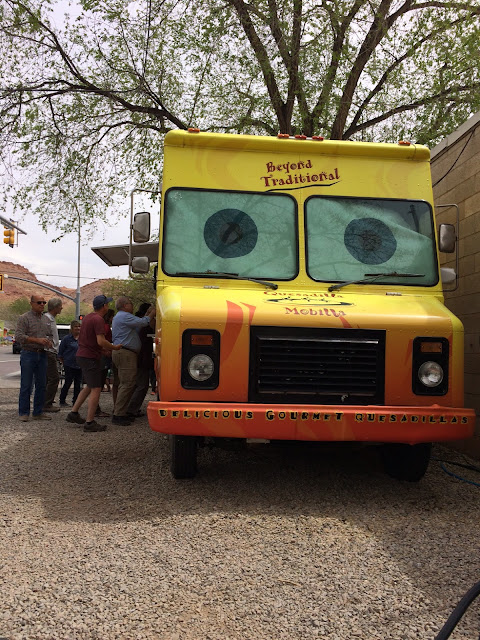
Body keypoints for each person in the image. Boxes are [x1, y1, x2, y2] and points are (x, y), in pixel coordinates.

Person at [66, 295, 122, 432]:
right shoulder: (98, 319)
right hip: (90, 358)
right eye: (107, 304)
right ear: (104, 306)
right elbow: (100, 341)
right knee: (96, 388)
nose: (108, 306)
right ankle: (90, 422)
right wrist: (114, 347)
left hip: (83, 355)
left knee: (90, 386)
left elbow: (89, 340)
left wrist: (102, 351)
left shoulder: (87, 318)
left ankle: (73, 413)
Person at [111, 296, 155, 426]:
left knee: (126, 383)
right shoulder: (124, 316)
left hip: (123, 352)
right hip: (126, 353)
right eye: (130, 303)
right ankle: (118, 414)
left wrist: (147, 315)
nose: (132, 306)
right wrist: (152, 314)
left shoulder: (121, 317)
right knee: (127, 384)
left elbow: (138, 326)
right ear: (125, 305)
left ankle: (122, 412)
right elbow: (143, 323)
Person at [15, 294, 54, 421]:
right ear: (31, 303)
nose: (42, 305)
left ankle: (38, 412)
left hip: (42, 354)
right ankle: (23, 412)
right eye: (39, 302)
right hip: (28, 353)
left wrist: (49, 341)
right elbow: (19, 336)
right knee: (26, 385)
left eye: (44, 302)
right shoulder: (24, 318)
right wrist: (37, 340)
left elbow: (49, 334)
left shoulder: (46, 319)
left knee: (41, 384)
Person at [126, 303, 154, 418]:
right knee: (142, 385)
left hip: (139, 358)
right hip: (142, 359)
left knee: (137, 384)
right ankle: (131, 409)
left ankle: (130, 408)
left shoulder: (137, 324)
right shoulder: (143, 326)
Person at [43, 297, 63, 412]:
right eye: (60, 306)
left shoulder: (51, 318)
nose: (61, 308)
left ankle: (45, 400)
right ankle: (47, 403)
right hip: (49, 351)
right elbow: (44, 333)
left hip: (52, 351)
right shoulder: (47, 318)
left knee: (48, 378)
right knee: (54, 378)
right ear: (55, 307)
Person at [58, 320, 82, 406]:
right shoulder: (66, 339)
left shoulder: (82, 339)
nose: (78, 328)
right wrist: (63, 362)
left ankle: (76, 401)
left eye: (79, 326)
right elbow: (60, 352)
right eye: (76, 326)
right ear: (72, 328)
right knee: (68, 382)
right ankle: (62, 400)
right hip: (69, 364)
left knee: (78, 384)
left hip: (79, 364)